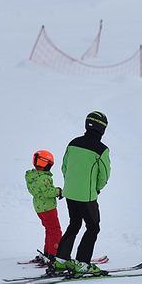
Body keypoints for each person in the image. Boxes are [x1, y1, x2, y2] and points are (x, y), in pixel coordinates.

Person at [55, 111, 111, 275]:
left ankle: (61, 260)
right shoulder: (102, 150)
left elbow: (64, 167)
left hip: (70, 192)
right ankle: (82, 263)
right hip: (86, 195)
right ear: (102, 129)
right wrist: (96, 189)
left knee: (74, 224)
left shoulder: (73, 143)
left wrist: (70, 184)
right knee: (93, 227)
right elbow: (104, 175)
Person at [24, 149, 64, 266]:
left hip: (40, 208)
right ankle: (54, 255)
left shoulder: (32, 176)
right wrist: (58, 191)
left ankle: (48, 253)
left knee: (49, 229)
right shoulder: (43, 178)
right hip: (48, 208)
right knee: (56, 231)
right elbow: (48, 192)